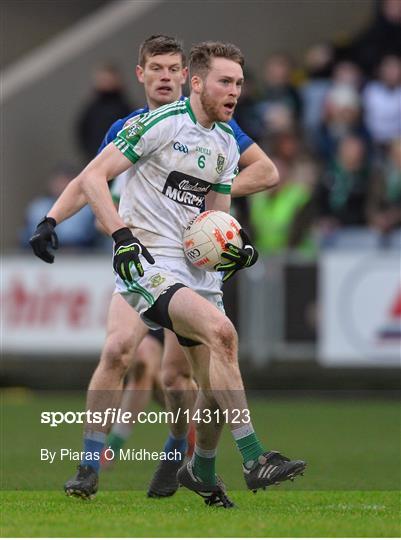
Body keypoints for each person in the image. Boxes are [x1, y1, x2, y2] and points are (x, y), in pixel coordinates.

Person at [31, 40, 305, 507]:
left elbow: (216, 215)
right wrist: (102, 231)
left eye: (239, 83)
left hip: (194, 269)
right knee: (170, 342)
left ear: (183, 74)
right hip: (148, 261)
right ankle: (251, 458)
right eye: (225, 81)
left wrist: (231, 248)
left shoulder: (224, 140)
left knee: (207, 379)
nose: (234, 90)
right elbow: (92, 179)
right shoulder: (150, 125)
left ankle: (195, 465)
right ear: (194, 83)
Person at [76, 64, 132, 161]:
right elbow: (82, 132)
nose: (106, 83)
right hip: (97, 159)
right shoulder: (91, 110)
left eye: (108, 79)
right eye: (103, 79)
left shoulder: (125, 108)